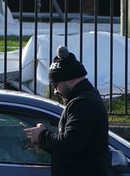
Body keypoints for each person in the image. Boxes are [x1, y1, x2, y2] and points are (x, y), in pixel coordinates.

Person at [23, 45, 110, 176]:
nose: (55, 91)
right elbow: (74, 147)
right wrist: (43, 141)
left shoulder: (84, 103)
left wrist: (42, 136)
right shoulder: (83, 99)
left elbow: (70, 144)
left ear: (69, 79)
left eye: (55, 85)